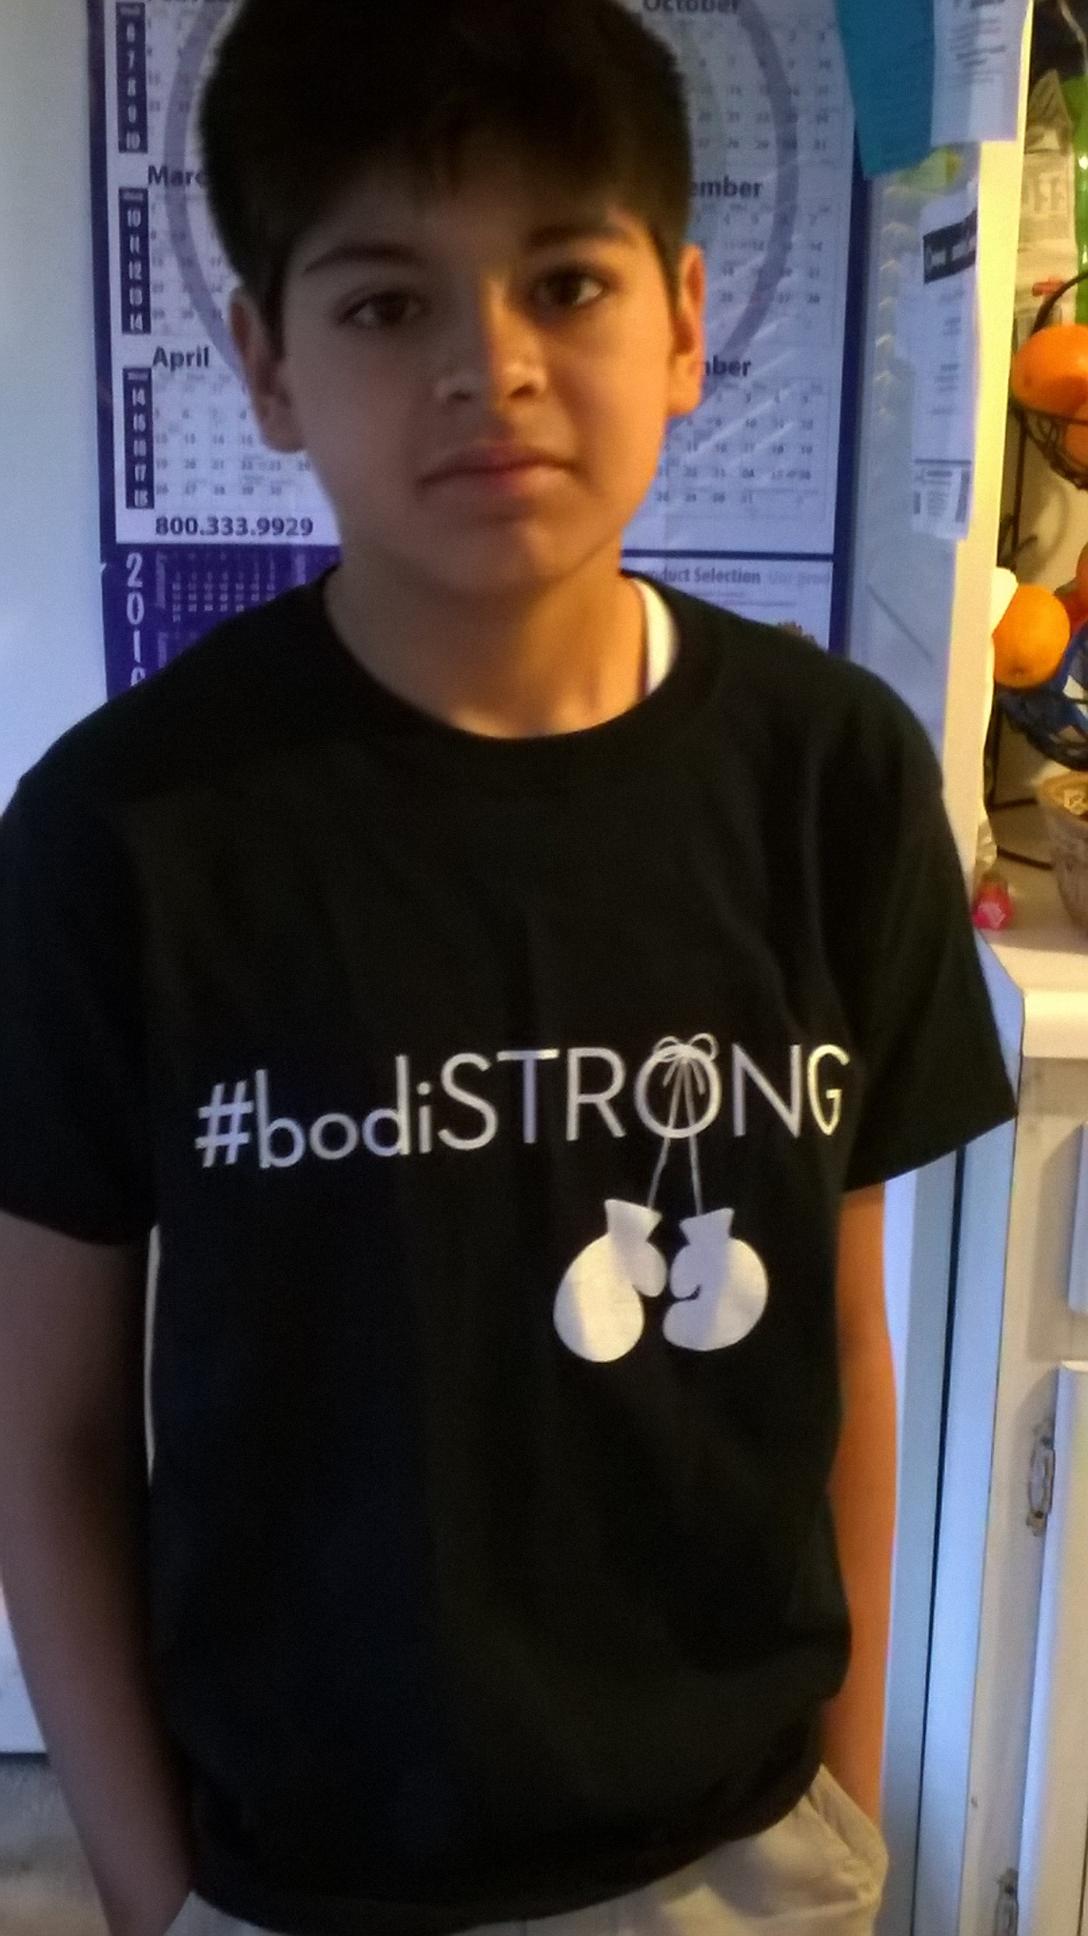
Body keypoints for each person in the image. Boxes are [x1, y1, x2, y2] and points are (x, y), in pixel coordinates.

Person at [0, 2, 1017, 1933]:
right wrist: (152, 1897)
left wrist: (842, 1806)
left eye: (566, 280)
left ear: (686, 322)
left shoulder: (831, 778)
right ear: (268, 364)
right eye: (389, 304)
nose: (494, 366)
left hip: (743, 1859)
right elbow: (43, 1427)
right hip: (301, 1873)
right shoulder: (123, 834)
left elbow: (843, 1342)